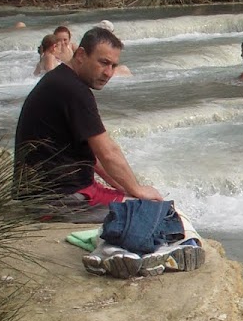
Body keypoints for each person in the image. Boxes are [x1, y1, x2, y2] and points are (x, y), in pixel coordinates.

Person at [14, 26, 162, 220]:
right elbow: (107, 152)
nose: (108, 72)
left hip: (44, 196)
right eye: (103, 63)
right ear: (82, 54)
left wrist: (125, 187)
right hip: (60, 201)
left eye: (113, 66)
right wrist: (137, 190)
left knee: (141, 202)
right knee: (156, 212)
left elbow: (94, 156)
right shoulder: (74, 91)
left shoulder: (60, 80)